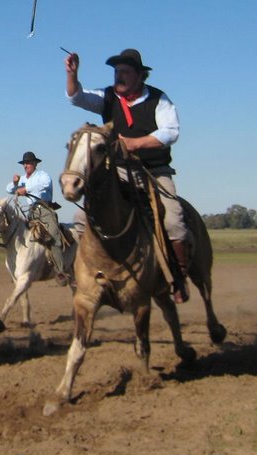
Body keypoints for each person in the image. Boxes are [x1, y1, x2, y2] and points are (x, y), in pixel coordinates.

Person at [64, 48, 192, 303]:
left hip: (154, 172)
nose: (118, 77)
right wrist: (72, 74)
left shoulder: (159, 99)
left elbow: (171, 132)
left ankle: (178, 278)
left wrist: (135, 143)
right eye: (116, 72)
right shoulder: (108, 97)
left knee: (174, 219)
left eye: (125, 72)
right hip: (119, 172)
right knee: (81, 216)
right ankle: (88, 271)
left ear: (140, 76)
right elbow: (77, 97)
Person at [6, 151, 69, 286]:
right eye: (24, 164)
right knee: (18, 236)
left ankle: (60, 271)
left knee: (53, 237)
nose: (26, 166)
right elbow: (9, 189)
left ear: (35, 164)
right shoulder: (23, 178)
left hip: (44, 210)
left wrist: (26, 189)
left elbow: (45, 184)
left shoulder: (42, 176)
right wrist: (15, 182)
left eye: (28, 163)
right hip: (30, 212)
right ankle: (21, 270)